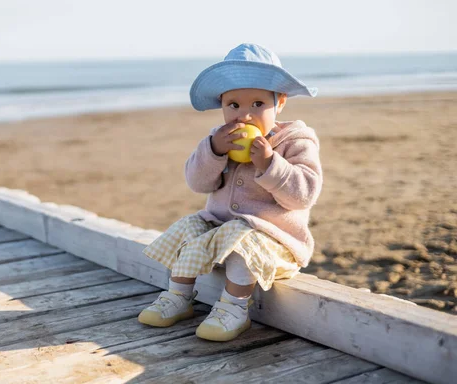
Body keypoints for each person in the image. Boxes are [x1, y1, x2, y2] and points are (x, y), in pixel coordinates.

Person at [137, 43, 323, 342]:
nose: (244, 117)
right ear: (222, 104)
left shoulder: (296, 141)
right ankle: (178, 296)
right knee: (189, 225)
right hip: (219, 236)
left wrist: (270, 164)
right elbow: (197, 183)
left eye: (258, 105)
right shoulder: (218, 139)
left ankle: (234, 308)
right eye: (234, 105)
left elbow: (303, 196)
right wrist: (213, 151)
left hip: (272, 243)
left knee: (241, 235)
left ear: (281, 102)